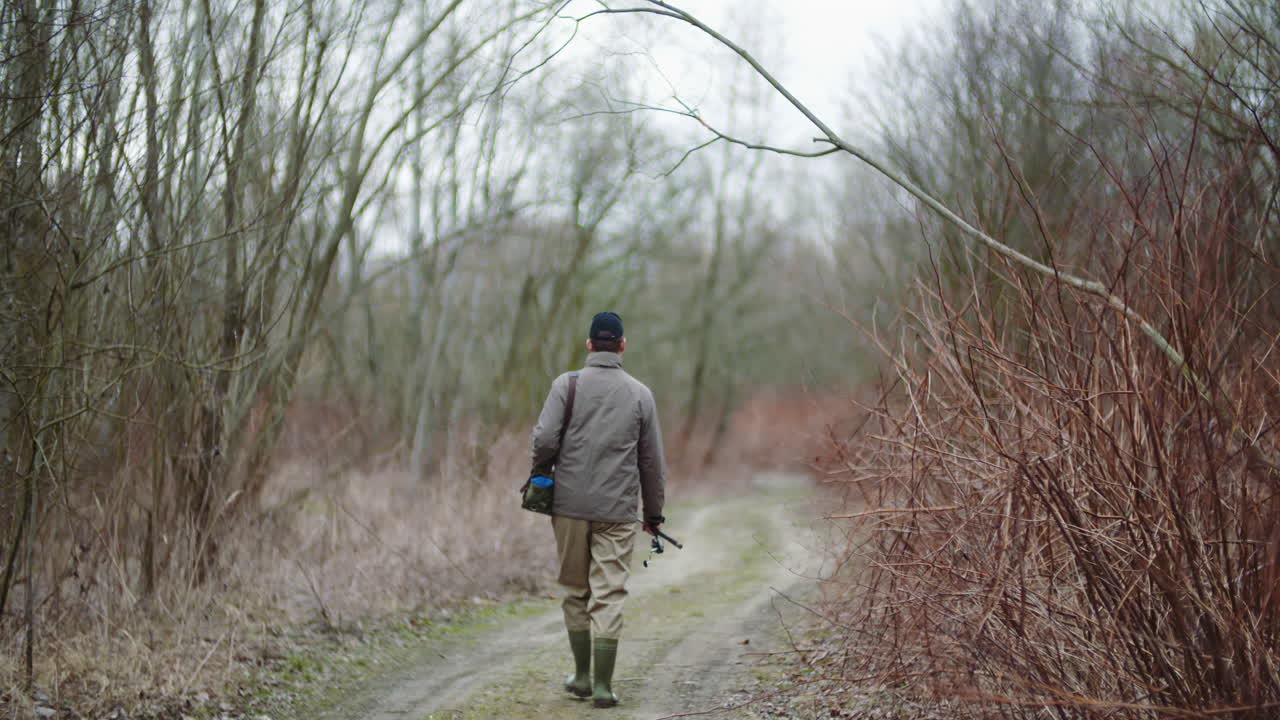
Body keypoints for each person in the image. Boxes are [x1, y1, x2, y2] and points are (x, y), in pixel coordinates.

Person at [529, 311, 667, 708]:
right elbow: (651, 462)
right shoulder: (641, 394)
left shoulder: (564, 385)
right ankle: (605, 687)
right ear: (622, 346)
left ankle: (582, 677)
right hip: (619, 511)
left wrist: (540, 474)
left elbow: (544, 439)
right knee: (609, 594)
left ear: (589, 345)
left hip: (569, 507)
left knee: (575, 590)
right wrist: (653, 514)